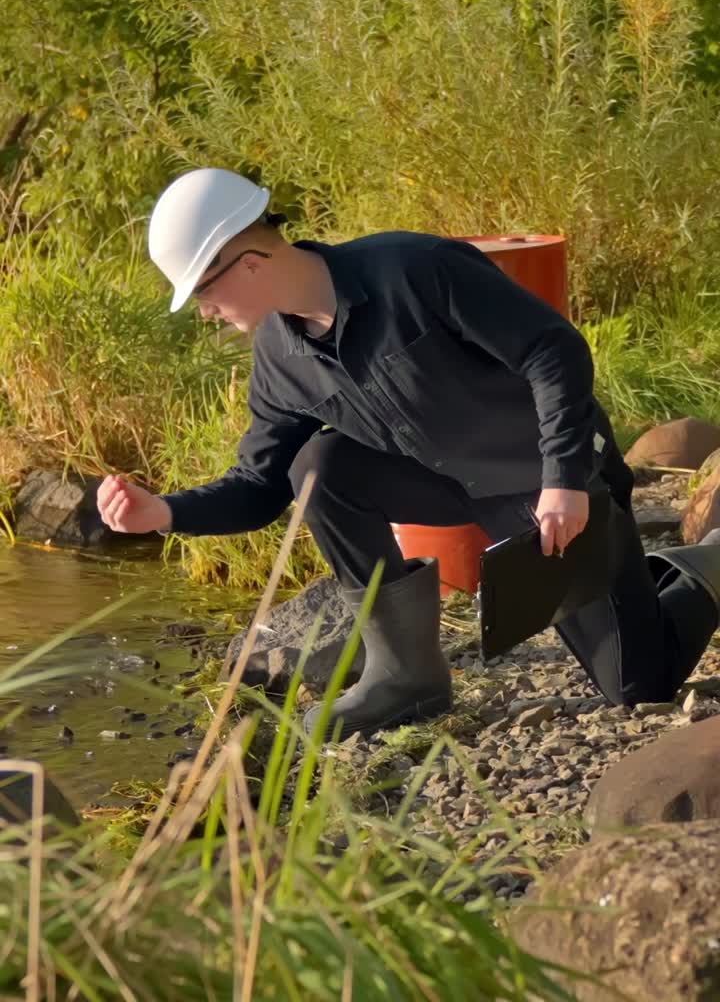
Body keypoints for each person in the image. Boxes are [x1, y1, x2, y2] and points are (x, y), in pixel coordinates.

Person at [98, 167, 720, 739]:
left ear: (249, 262)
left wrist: (563, 478)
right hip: (450, 490)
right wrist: (164, 514)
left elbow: (553, 352)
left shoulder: (416, 269)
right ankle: (407, 676)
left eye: (203, 290)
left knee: (640, 686)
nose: (205, 311)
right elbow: (260, 486)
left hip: (557, 486)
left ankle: (708, 560)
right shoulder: (278, 362)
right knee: (319, 467)